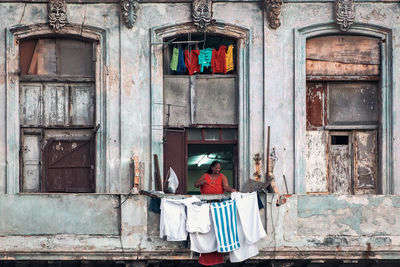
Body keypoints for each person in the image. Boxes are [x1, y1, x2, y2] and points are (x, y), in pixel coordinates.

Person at [194, 161, 236, 266]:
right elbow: (195, 185)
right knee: (206, 228)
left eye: (219, 168)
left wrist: (232, 190)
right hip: (206, 205)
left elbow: (225, 187)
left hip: (218, 205)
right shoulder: (205, 175)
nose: (218, 169)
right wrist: (201, 183)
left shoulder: (222, 176)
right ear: (212, 168)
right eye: (216, 168)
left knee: (217, 227)